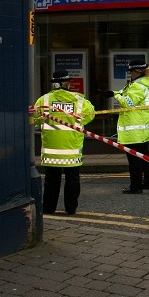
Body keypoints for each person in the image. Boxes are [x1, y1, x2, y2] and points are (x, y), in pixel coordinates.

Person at [34, 70, 95, 215]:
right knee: (72, 180)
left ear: (54, 84)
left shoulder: (44, 100)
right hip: (72, 149)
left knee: (51, 181)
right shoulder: (80, 101)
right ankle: (70, 208)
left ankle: (49, 209)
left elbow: (37, 118)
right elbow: (90, 115)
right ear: (68, 83)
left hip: (51, 150)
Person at [103, 60, 149, 194]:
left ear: (137, 72)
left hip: (135, 128)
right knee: (144, 155)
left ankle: (136, 186)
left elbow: (128, 102)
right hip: (142, 126)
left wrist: (115, 95)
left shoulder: (137, 86)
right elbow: (125, 93)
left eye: (131, 72)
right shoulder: (141, 83)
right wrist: (113, 92)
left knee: (134, 159)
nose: (130, 74)